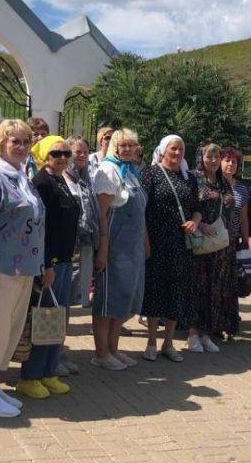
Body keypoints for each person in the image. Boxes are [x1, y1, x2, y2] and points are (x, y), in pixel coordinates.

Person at [0, 119, 45, 417]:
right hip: (0, 267)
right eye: (15, 141)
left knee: (10, 331)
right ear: (1, 143)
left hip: (24, 267)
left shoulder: (21, 175)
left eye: (26, 142)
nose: (22, 147)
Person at [13, 135, 81, 399]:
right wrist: (47, 263)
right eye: (56, 154)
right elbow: (40, 228)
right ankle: (31, 376)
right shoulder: (41, 183)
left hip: (64, 261)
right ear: (43, 156)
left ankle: (49, 372)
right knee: (44, 319)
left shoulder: (62, 180)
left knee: (57, 320)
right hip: (49, 262)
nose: (62, 158)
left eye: (66, 153)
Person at [140, 135, 201, 362]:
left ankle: (169, 342)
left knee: (176, 290)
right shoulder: (150, 174)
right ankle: (151, 341)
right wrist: (144, 239)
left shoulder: (189, 178)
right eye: (173, 149)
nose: (177, 153)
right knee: (155, 289)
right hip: (156, 242)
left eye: (180, 149)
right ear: (163, 150)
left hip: (180, 244)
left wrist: (195, 221)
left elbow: (196, 208)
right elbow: (142, 209)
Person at [92, 129, 148, 369]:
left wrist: (145, 241)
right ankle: (101, 353)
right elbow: (102, 215)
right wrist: (103, 249)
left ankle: (114, 349)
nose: (127, 149)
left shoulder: (132, 172)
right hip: (114, 247)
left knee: (123, 300)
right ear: (114, 146)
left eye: (131, 146)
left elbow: (140, 212)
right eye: (122, 145)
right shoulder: (107, 171)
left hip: (132, 247)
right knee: (107, 302)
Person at [189, 143, 237, 351]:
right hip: (200, 242)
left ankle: (207, 332)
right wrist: (200, 223)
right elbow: (188, 206)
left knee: (215, 288)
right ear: (201, 157)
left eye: (217, 156)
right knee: (198, 286)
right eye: (209, 156)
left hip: (220, 244)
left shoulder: (223, 183)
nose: (214, 160)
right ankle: (192, 333)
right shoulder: (194, 179)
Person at [221, 147, 251, 341]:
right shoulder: (213, 185)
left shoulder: (241, 188)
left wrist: (245, 240)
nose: (231, 164)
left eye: (234, 162)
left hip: (232, 242)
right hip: (214, 242)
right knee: (216, 283)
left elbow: (244, 217)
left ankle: (229, 323)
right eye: (227, 160)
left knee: (231, 284)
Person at [68, 135, 100, 309]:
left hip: (86, 239)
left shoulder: (87, 179)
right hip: (69, 242)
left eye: (85, 152)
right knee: (68, 288)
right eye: (77, 152)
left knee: (81, 286)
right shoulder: (64, 178)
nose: (82, 155)